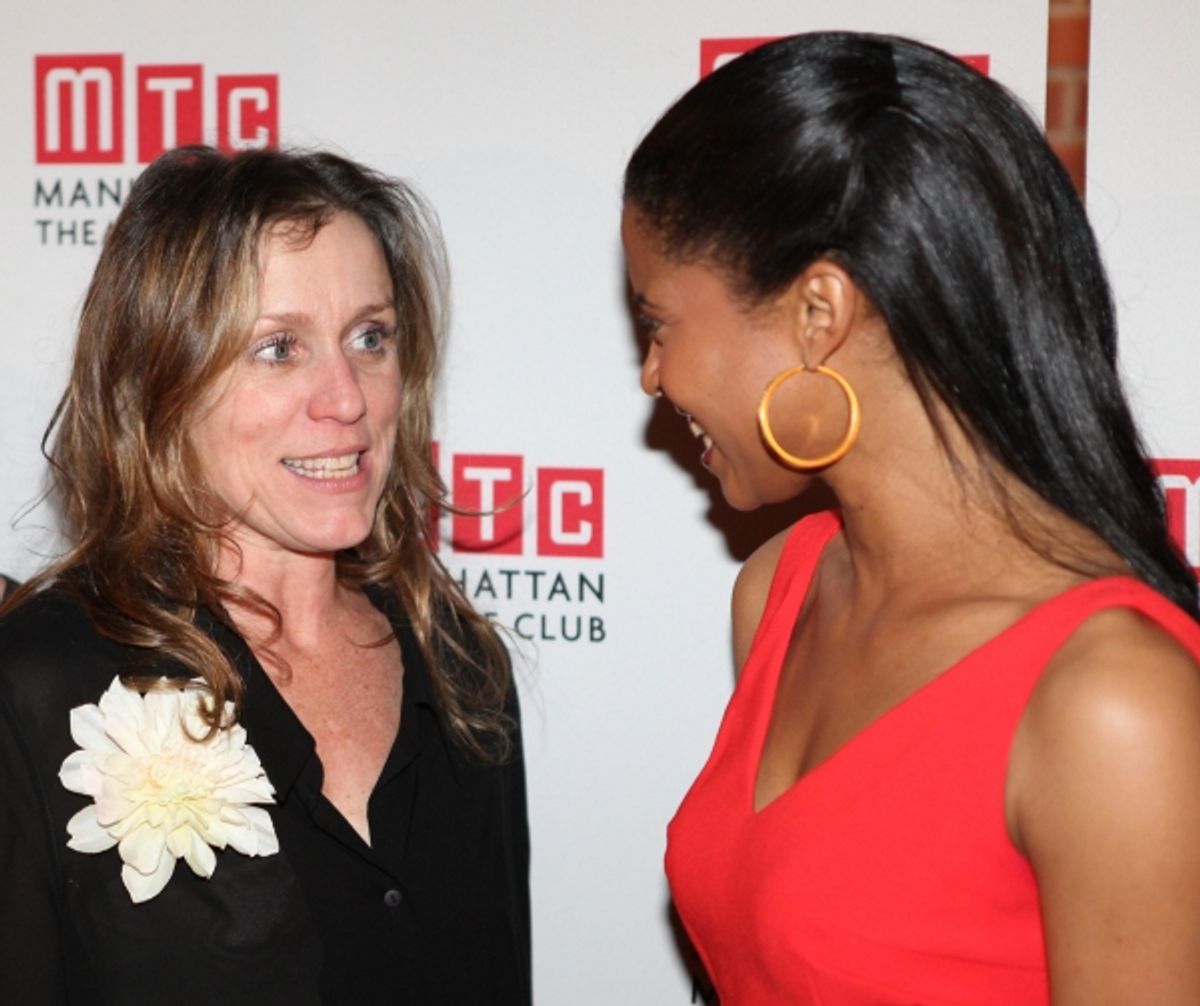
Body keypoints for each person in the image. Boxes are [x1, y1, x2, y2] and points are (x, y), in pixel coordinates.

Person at [622, 31, 1200, 1005]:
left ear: (818, 314)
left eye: (658, 322)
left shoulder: (1113, 705)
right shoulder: (782, 589)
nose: (653, 375)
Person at [0, 146, 530, 1004]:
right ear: (158, 383)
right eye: (279, 348)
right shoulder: (37, 684)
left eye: (371, 337)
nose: (347, 397)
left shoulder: (459, 664)